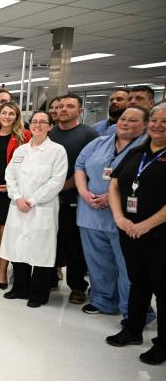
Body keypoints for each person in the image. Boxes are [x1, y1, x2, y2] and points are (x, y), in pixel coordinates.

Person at [105, 103, 166, 365]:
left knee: (163, 289)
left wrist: (146, 225)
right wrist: (119, 217)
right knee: (137, 281)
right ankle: (133, 329)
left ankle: (163, 344)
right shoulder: (136, 153)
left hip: (159, 233)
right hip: (129, 230)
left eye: (164, 122)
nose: (157, 125)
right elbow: (115, 185)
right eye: (154, 120)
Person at [75, 107, 149, 319]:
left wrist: (112, 196)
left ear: (144, 125)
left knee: (128, 267)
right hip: (90, 212)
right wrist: (84, 192)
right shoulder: (99, 143)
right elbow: (80, 166)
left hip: (125, 216)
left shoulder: (145, 149)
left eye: (132, 120)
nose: (124, 123)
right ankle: (103, 300)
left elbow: (144, 180)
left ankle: (132, 312)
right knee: (98, 262)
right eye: (123, 118)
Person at [0, 111, 68, 307]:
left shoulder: (57, 151)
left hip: (42, 207)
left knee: (41, 251)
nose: (37, 125)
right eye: (34, 122)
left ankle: (39, 294)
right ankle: (20, 288)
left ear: (50, 126)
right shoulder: (21, 150)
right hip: (18, 206)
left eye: (42, 122)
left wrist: (32, 200)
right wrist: (18, 197)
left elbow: (57, 181)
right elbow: (9, 175)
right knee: (18, 247)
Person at [49, 94, 99, 304]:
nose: (63, 110)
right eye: (60, 106)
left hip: (74, 199)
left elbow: (90, 169)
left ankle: (77, 286)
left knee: (74, 245)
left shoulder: (89, 135)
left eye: (69, 106)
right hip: (49, 199)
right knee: (50, 241)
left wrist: (60, 187)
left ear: (80, 111)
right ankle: (49, 276)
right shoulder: (50, 134)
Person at [0, 102, 31, 289]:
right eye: (4, 113)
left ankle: (3, 271)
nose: (7, 116)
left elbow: (27, 166)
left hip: (13, 193)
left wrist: (11, 187)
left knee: (7, 232)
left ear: (16, 116)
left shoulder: (24, 136)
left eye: (11, 113)